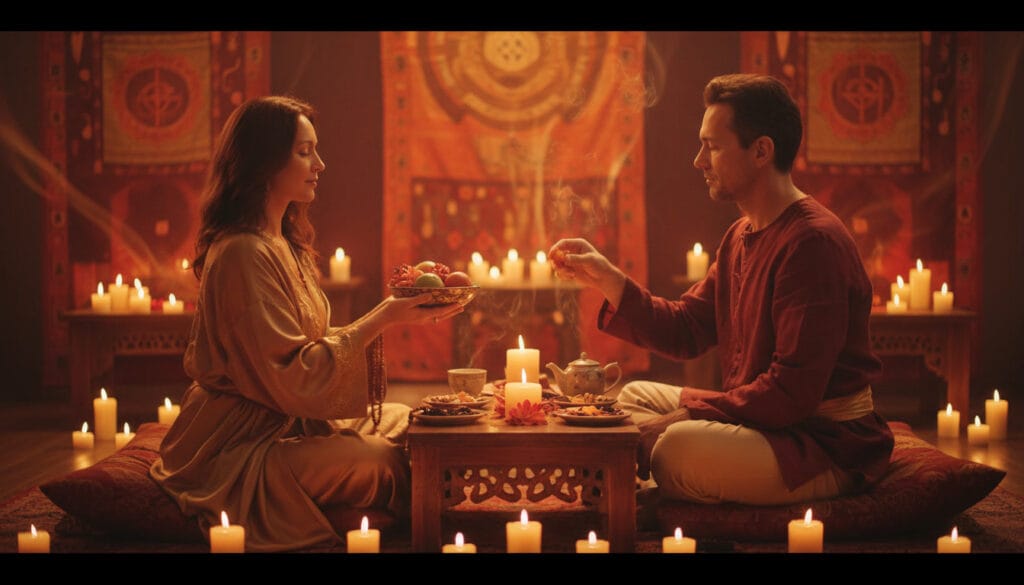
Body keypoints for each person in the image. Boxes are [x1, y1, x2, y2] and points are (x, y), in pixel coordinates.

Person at [548, 74, 893, 506]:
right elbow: (687, 328)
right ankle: (666, 479)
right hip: (764, 424)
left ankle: (664, 480)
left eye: (711, 146)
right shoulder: (740, 234)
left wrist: (687, 415)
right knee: (634, 397)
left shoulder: (812, 244)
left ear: (761, 150)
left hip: (818, 444)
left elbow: (792, 394)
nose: (698, 161)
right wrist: (607, 278)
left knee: (676, 446)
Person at [150, 96, 463, 551]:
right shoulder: (243, 253)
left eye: (314, 150)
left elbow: (310, 349)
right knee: (382, 462)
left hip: (290, 423)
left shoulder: (284, 244)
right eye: (303, 152)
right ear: (262, 162)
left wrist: (393, 313)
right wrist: (386, 314)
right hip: (237, 446)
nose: (320, 163)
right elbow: (292, 374)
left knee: (417, 423)